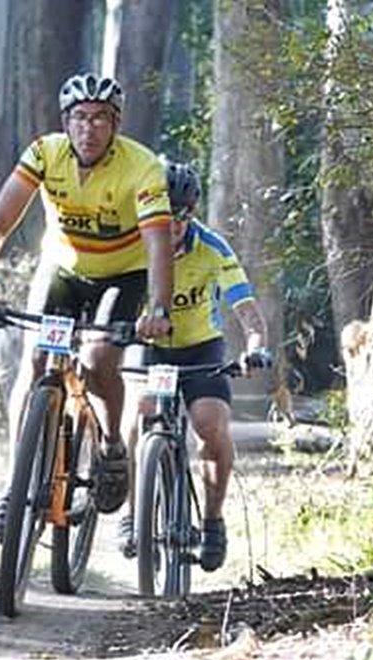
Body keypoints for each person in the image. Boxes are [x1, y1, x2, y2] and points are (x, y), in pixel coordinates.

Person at [0, 72, 175, 539]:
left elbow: (156, 242)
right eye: (78, 118)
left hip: (123, 274)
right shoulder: (44, 153)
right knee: (35, 362)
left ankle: (112, 445)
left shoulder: (143, 167)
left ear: (115, 125)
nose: (88, 128)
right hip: (63, 271)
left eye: (98, 118)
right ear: (65, 122)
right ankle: (16, 485)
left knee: (97, 360)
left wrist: (157, 307)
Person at [120, 161, 270, 572]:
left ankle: (212, 520)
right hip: (148, 346)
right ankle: (134, 513)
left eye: (179, 218)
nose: (170, 228)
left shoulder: (214, 248)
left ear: (192, 213)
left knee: (209, 423)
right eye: (162, 217)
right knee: (137, 419)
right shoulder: (132, 244)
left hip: (200, 348)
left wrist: (255, 348)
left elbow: (249, 314)